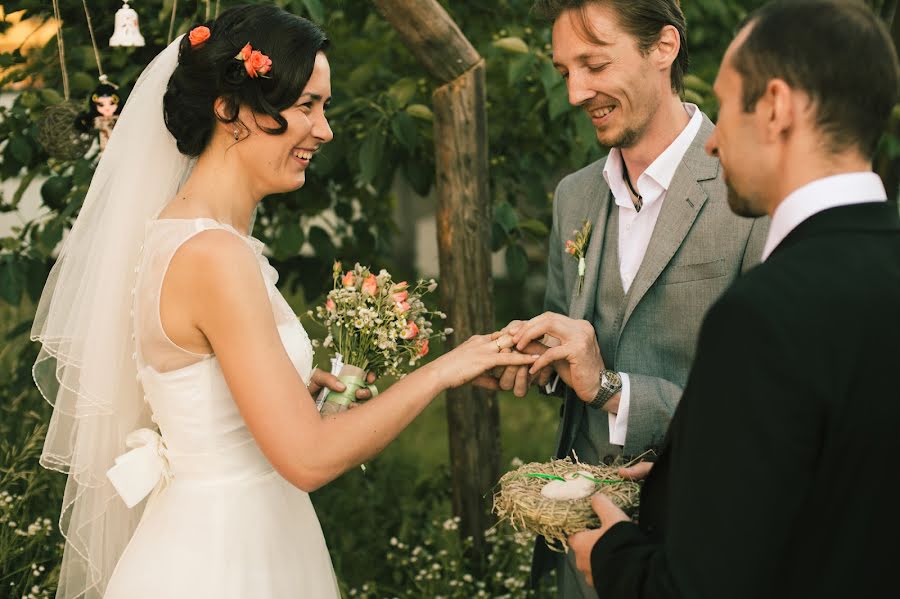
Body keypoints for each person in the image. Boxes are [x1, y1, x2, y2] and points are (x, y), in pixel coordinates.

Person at [30, 6, 537, 598]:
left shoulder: (192, 237)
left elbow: (239, 422)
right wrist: (445, 369)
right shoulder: (213, 255)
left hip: (245, 532)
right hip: (224, 562)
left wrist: (309, 405)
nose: (324, 130)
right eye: (305, 106)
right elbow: (308, 460)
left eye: (323, 107)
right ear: (229, 111)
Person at [559, 0, 900, 596]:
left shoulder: (765, 311)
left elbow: (699, 585)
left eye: (727, 107)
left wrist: (614, 557)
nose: (713, 147)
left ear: (774, 108)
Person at [480, 1, 767, 595]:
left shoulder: (752, 188)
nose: (576, 92)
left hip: (696, 544)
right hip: (580, 541)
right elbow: (579, 359)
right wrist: (539, 361)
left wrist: (611, 389)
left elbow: (765, 411)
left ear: (663, 47)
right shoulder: (574, 197)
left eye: (594, 63)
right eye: (565, 72)